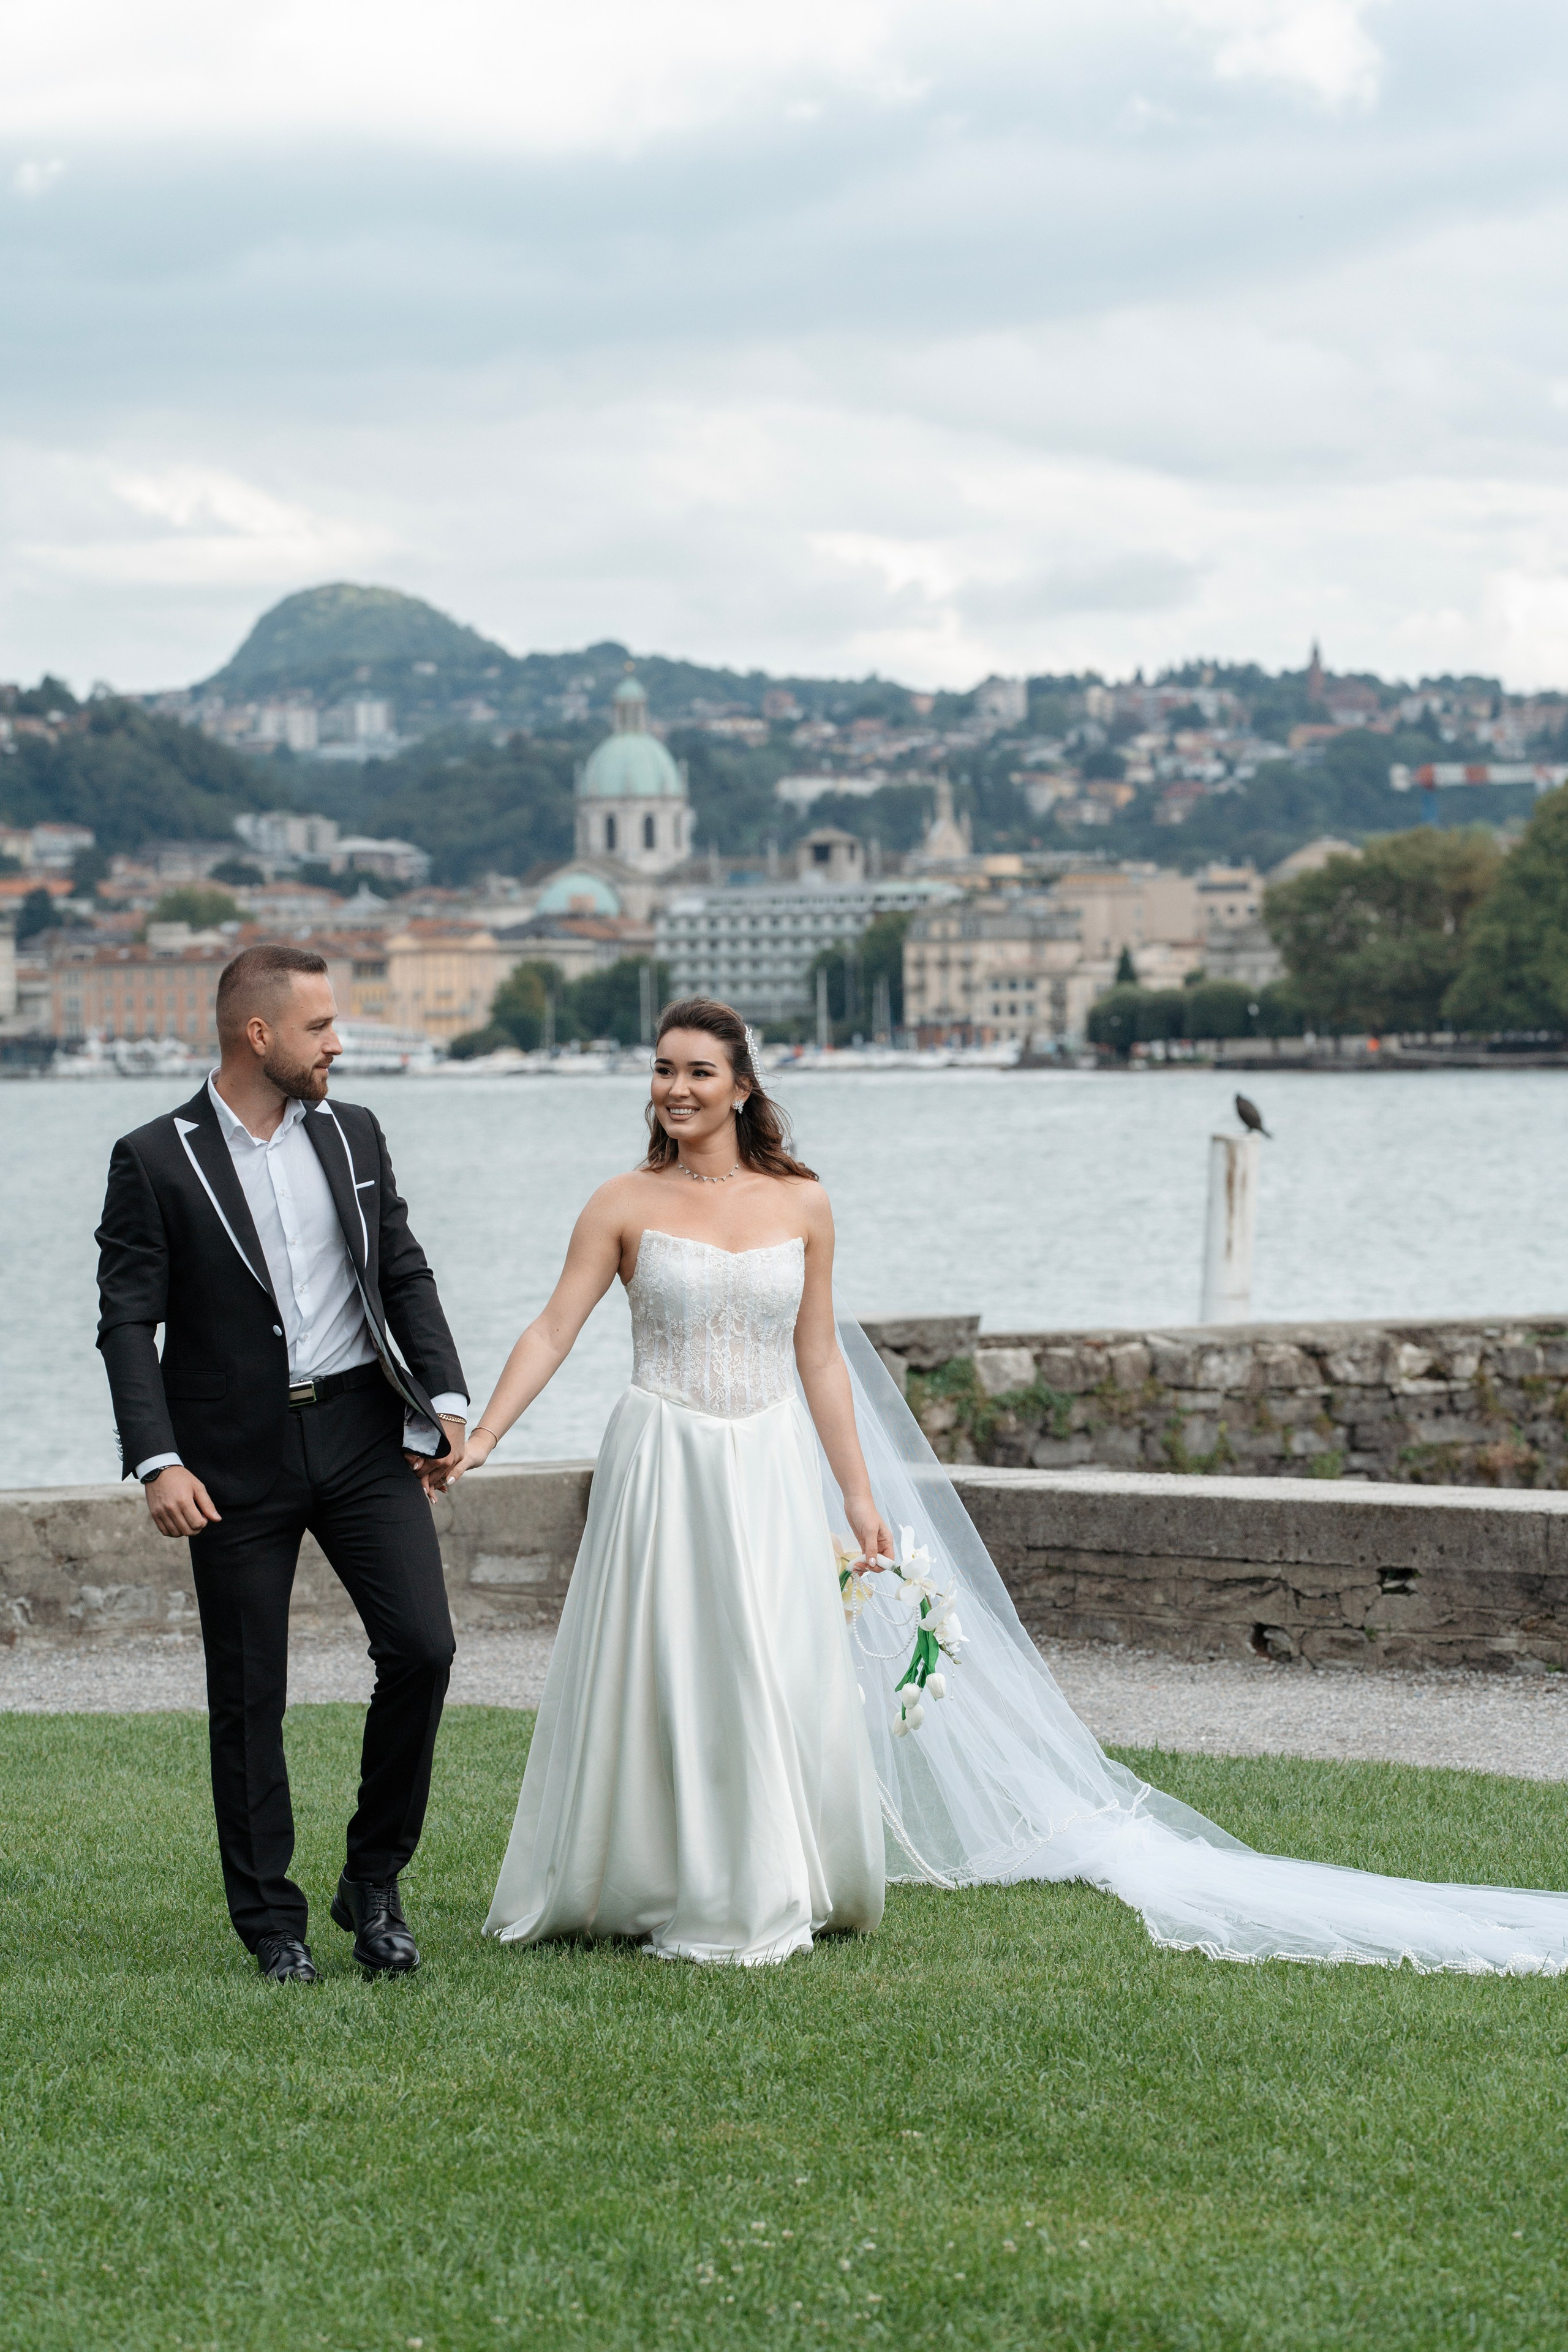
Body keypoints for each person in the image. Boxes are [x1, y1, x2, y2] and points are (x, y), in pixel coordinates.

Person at [467, 995, 1568, 1977]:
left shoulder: (802, 1205)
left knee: (761, 1664)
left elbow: (818, 1362)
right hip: (661, 1454)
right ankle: (634, 1876)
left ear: (742, 1087)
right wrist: (485, 1434)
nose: (674, 1089)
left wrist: (859, 1498)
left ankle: (757, 1883)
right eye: (661, 1069)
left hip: (764, 1459)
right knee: (657, 1658)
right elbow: (555, 1327)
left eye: (698, 1071)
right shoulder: (620, 1200)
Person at [94, 942, 469, 1985]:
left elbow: (401, 1266)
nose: (338, 1043)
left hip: (360, 1435)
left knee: (424, 1649)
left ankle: (375, 1882)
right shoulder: (154, 1157)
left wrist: (442, 1400)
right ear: (259, 1035)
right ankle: (273, 1925)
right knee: (250, 1692)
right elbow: (127, 1323)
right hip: (229, 1458)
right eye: (320, 1027)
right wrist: (157, 1460)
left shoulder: (353, 1133)